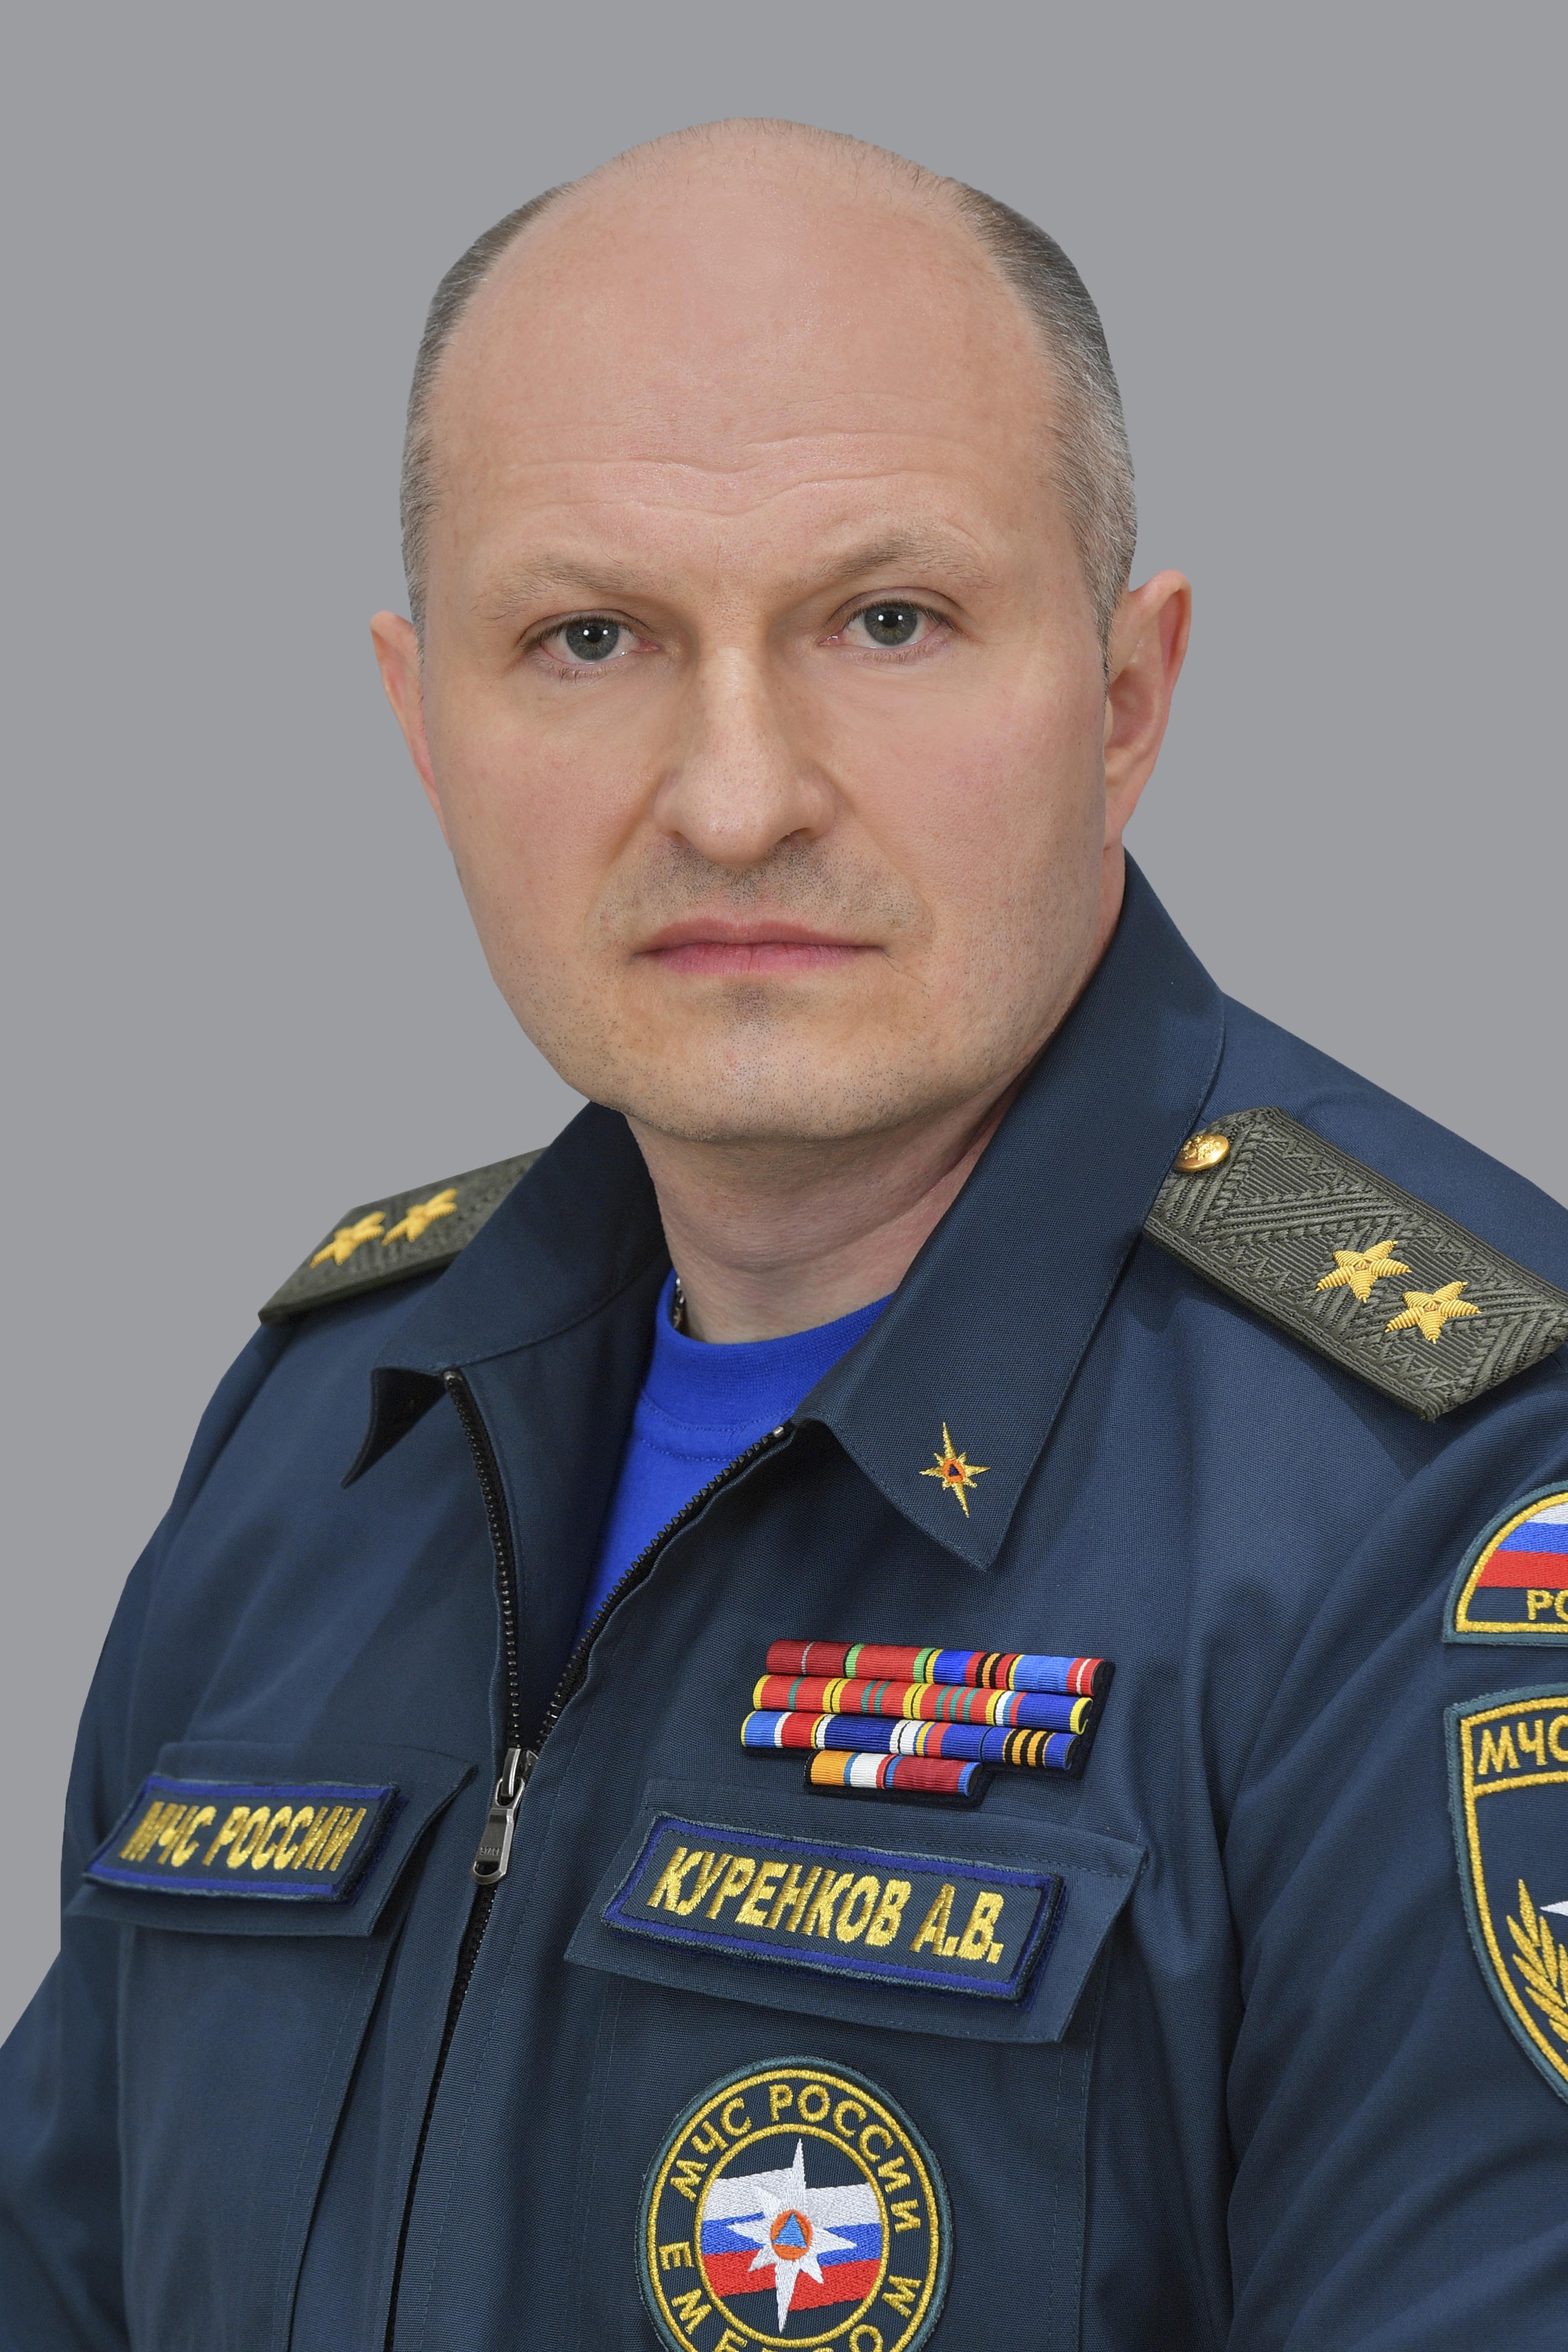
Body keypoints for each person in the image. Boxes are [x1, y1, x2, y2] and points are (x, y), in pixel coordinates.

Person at [2, 118, 1566, 2352]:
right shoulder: (324, 1434)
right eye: (589, 636)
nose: (737, 797)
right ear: (423, 721)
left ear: (1126, 700)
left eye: (887, 621)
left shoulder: (1454, 1501)